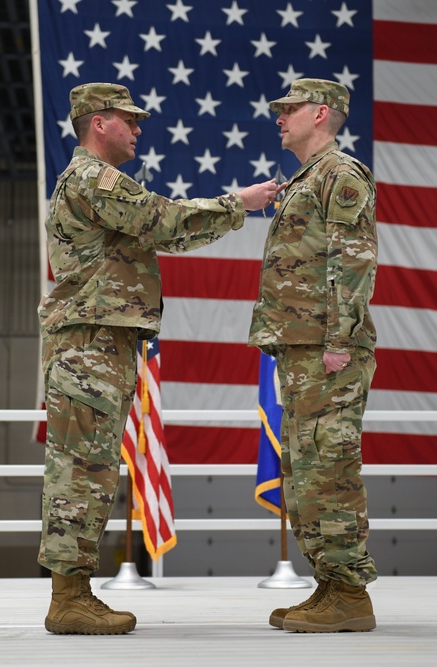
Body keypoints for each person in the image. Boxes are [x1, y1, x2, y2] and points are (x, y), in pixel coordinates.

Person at [38, 82, 282, 635]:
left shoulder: (92, 180)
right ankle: (67, 597)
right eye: (129, 119)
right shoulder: (93, 178)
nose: (139, 129)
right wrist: (237, 204)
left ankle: (73, 592)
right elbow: (165, 223)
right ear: (99, 123)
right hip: (90, 344)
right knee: (81, 471)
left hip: (102, 341)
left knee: (93, 470)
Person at [249, 79, 379, 633]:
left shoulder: (341, 175)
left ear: (321, 113)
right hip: (300, 348)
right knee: (305, 470)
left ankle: (350, 594)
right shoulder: (308, 177)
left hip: (327, 351)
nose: (279, 117)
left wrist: (339, 341)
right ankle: (329, 582)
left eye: (289, 109)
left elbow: (352, 263)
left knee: (330, 466)